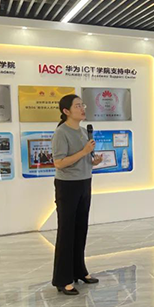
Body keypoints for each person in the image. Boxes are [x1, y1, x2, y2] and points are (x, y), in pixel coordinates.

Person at [51, 95, 103, 296]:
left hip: (84, 183)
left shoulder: (82, 131)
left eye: (83, 105)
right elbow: (59, 163)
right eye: (78, 106)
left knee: (81, 229)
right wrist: (84, 152)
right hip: (67, 186)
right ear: (66, 111)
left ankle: (79, 271)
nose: (82, 109)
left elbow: (84, 158)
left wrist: (93, 160)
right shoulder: (61, 133)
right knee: (66, 231)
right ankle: (63, 279)